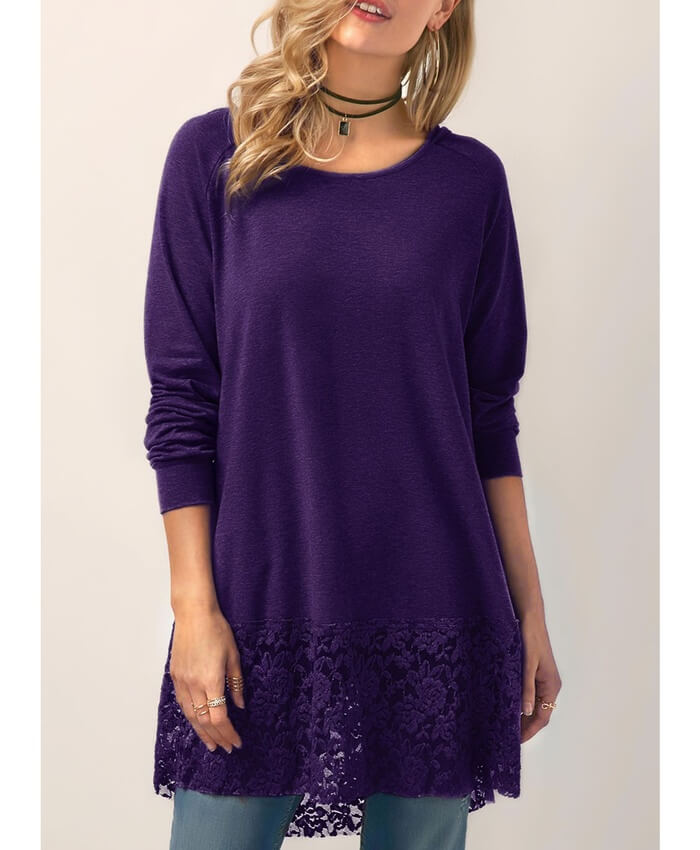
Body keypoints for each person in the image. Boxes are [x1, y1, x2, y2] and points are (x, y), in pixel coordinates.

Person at [142, 1, 562, 848]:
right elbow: (183, 400)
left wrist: (531, 612)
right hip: (262, 601)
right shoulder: (214, 156)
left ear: (443, 8)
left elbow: (488, 414)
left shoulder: (470, 183)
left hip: (439, 607)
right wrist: (194, 608)